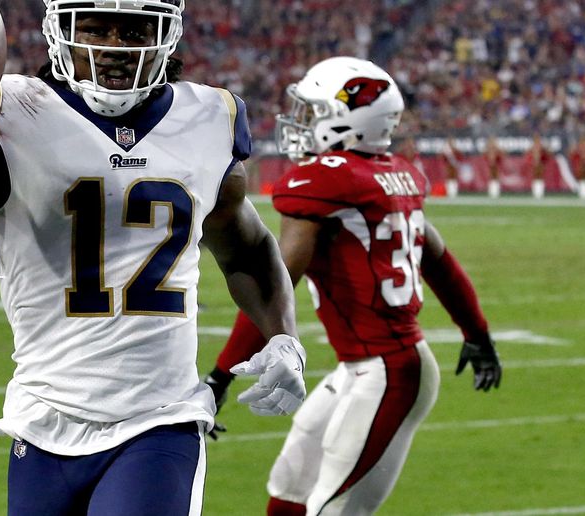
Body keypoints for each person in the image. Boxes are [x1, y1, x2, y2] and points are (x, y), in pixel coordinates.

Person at [0, 1, 308, 514]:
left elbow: (248, 249)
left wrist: (284, 335)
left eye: (134, 29)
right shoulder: (13, 114)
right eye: (94, 27)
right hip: (43, 419)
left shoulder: (207, 119)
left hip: (159, 420)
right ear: (59, 30)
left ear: (168, 34)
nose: (112, 45)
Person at [203, 57, 502, 515]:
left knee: (333, 509)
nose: (301, 124)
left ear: (351, 121)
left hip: (390, 370)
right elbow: (439, 262)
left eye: (314, 112)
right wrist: (477, 334)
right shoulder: (392, 173)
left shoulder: (329, 180)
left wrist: (220, 376)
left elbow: (273, 284)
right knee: (290, 491)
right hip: (362, 367)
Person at [525, 132, 551, 199]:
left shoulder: (541, 146)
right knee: (536, 177)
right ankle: (536, 192)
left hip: (540, 164)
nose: (537, 140)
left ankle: (540, 192)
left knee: (540, 177)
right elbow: (528, 154)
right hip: (535, 164)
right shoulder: (533, 146)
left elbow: (547, 154)